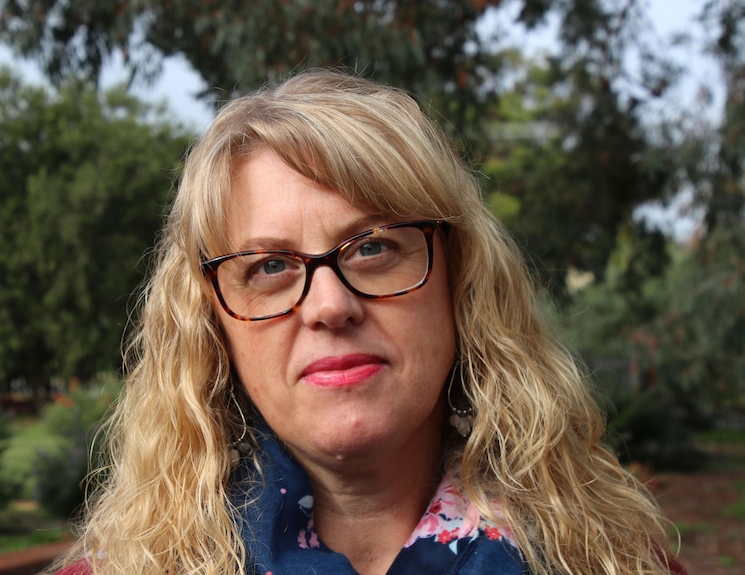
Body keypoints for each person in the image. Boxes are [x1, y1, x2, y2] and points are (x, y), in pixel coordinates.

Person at [49, 69, 685, 575]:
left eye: (374, 247)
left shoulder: (615, 562)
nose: (329, 306)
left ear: (458, 282)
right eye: (269, 265)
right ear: (214, 323)